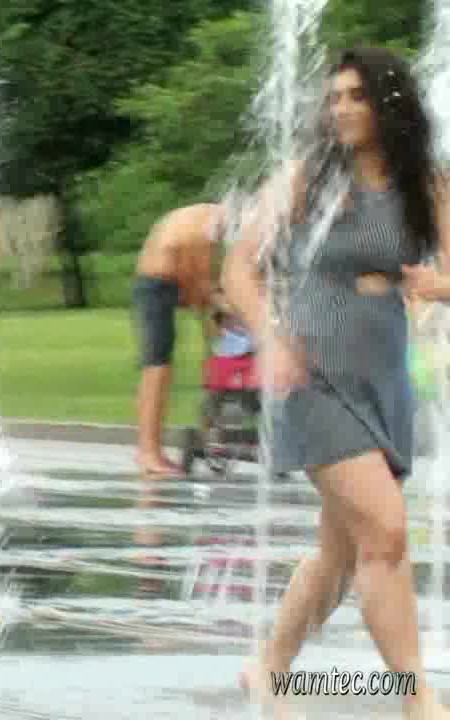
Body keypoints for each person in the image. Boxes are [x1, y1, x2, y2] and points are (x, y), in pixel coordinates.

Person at [225, 47, 450, 719]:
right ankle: (419, 700)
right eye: (334, 98)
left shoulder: (426, 185)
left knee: (340, 552)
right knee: (385, 533)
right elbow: (239, 267)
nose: (342, 109)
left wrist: (435, 285)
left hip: (383, 375)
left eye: (357, 96)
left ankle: (271, 670)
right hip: (314, 370)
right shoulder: (309, 177)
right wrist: (270, 338)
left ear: (389, 105)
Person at [132, 202, 224, 476]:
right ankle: (148, 452)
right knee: (157, 368)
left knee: (159, 368)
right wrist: (217, 313)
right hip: (157, 282)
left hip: (162, 278)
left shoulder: (205, 218)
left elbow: (200, 281)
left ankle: (150, 451)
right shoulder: (210, 224)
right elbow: (201, 282)